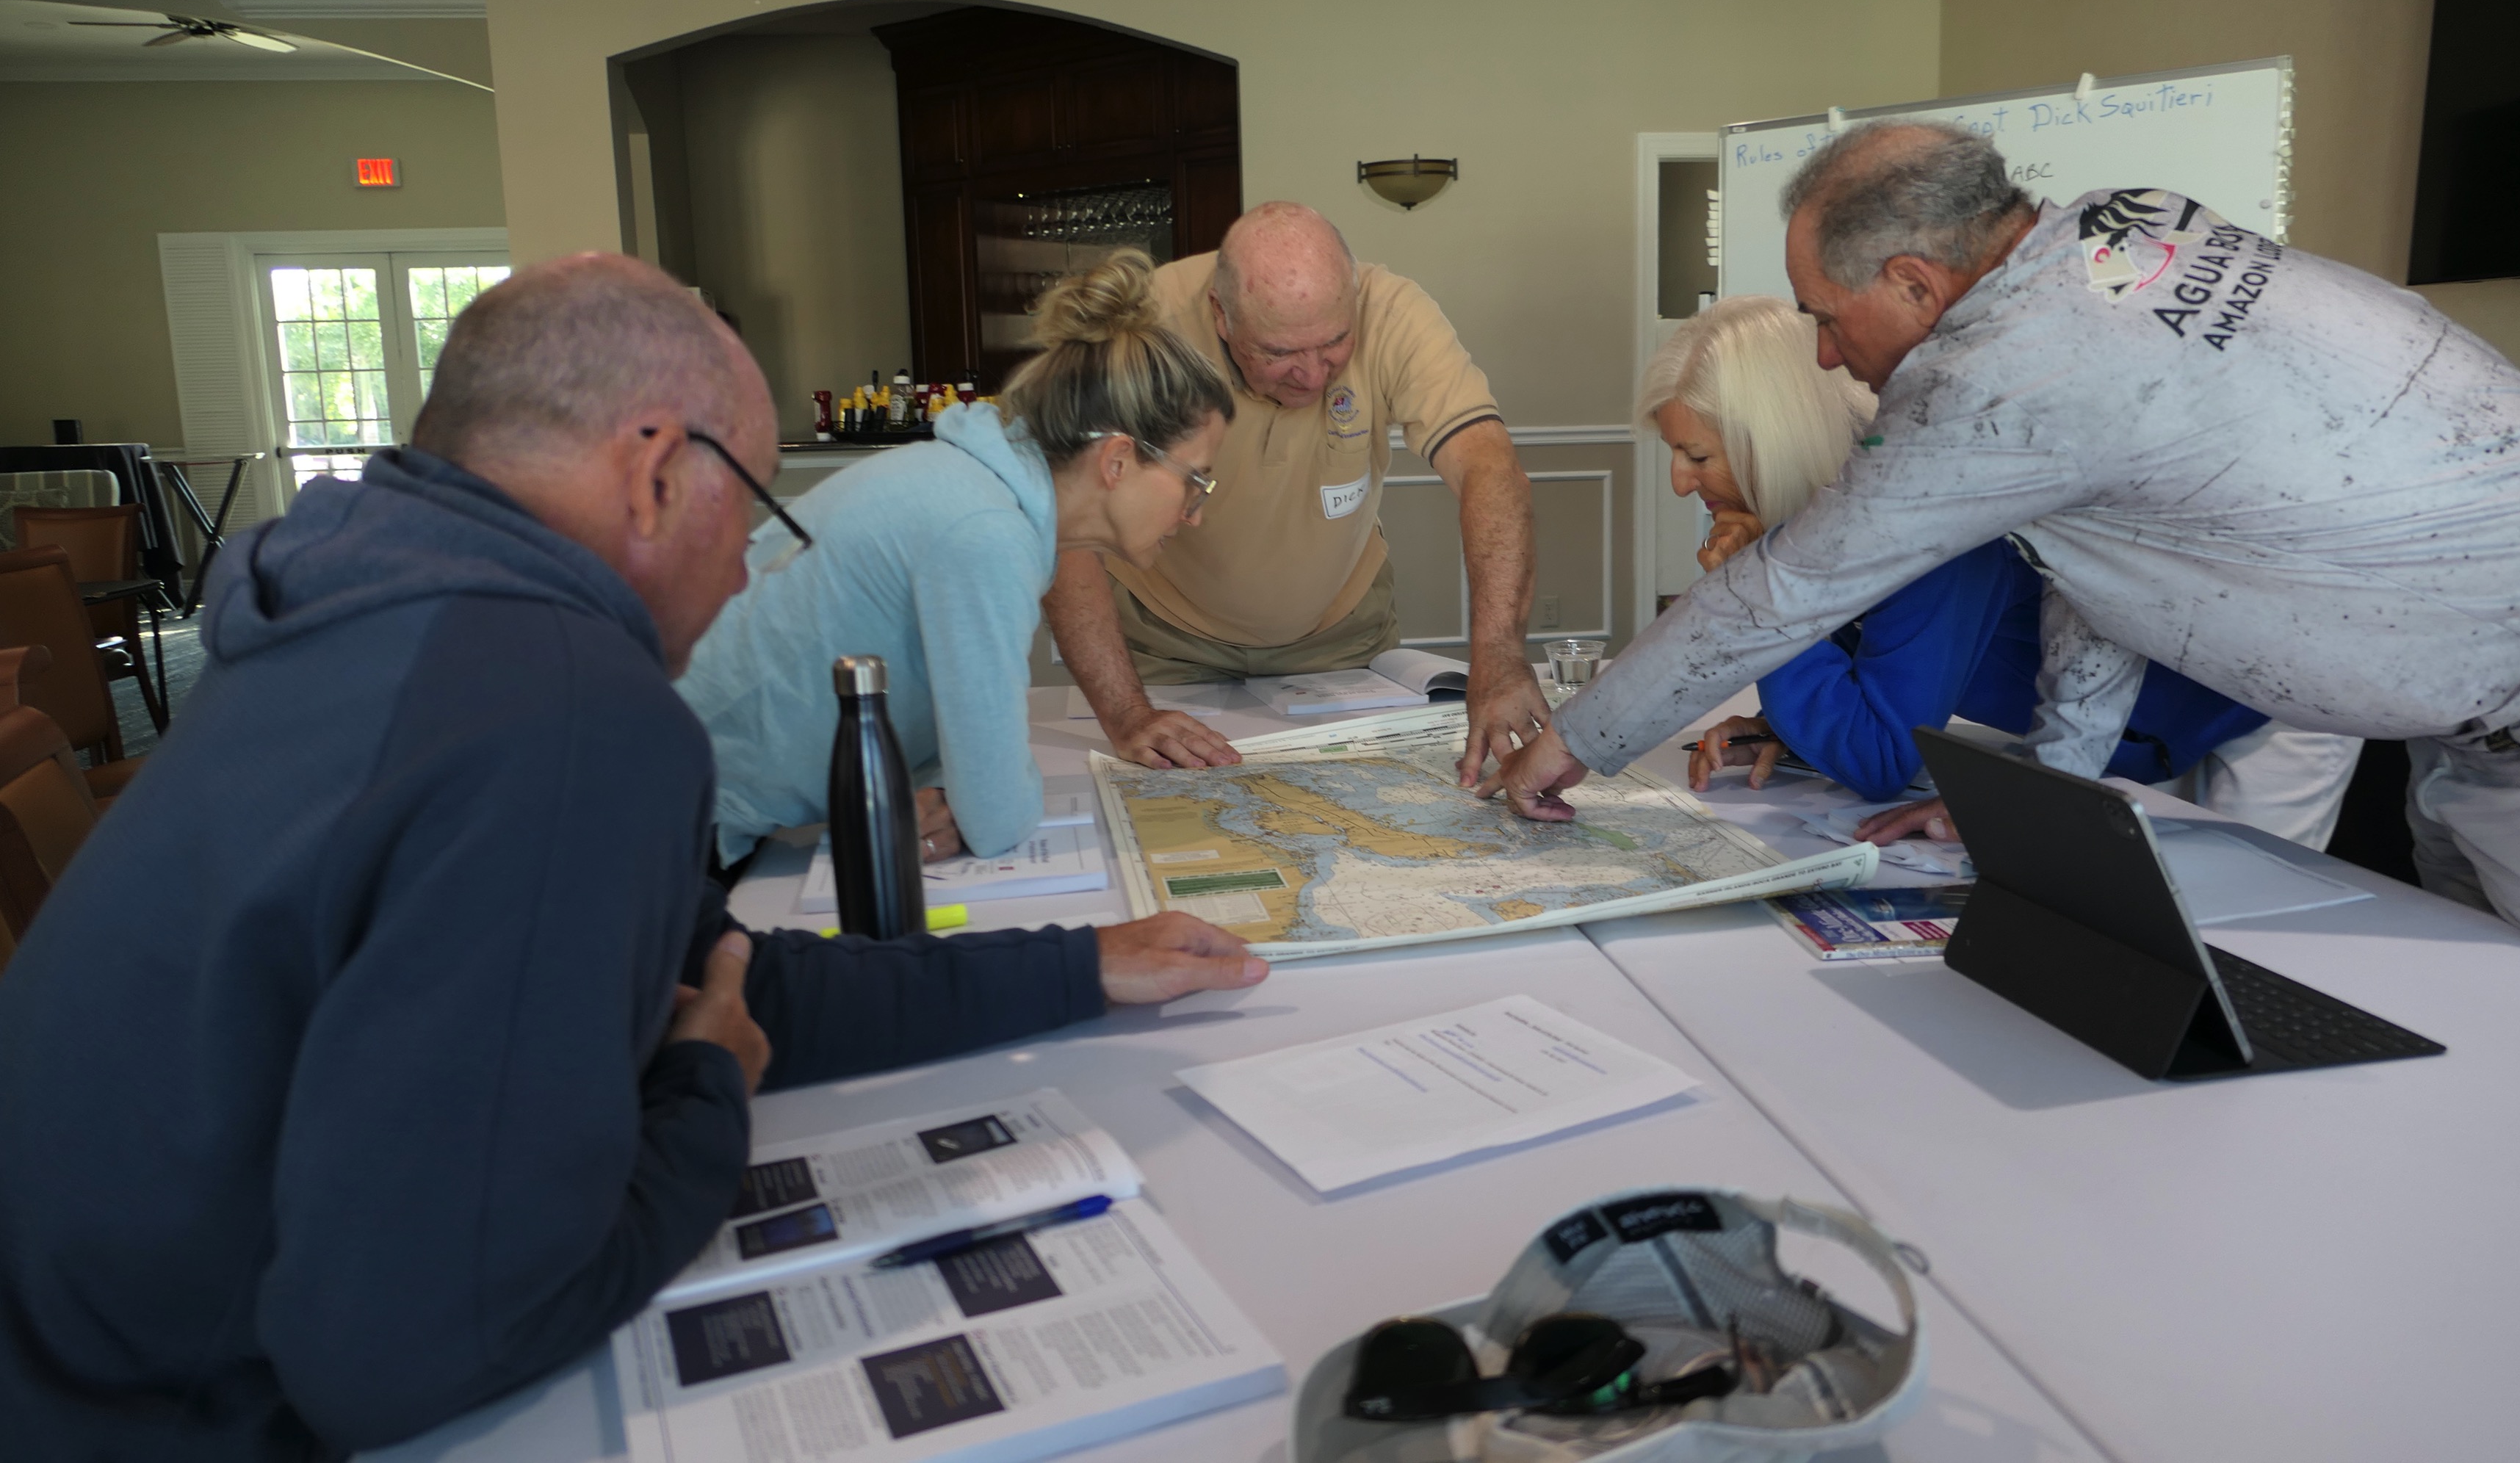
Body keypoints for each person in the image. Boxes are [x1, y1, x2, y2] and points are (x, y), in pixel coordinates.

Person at [0, 253, 1266, 1460]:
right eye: (758, 510)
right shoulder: (565, 711)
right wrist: (704, 1100)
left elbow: (712, 977)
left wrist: (1074, 968)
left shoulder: (374, 616)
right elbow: (404, 1355)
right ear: (658, 471)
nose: (749, 569)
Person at [1488, 120, 2520, 967]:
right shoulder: (2118, 242)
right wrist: (2045, 782)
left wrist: (1576, 744)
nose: (1829, 358)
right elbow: (2107, 561)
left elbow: (1785, 590)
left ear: (1911, 280)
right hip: (2500, 721)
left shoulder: (1998, 378)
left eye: (1827, 320)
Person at [1655, 296, 2358, 848]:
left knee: (2243, 946)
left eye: (1696, 455)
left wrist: (1757, 597)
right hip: (2121, 727)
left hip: (2258, 705)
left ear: (1768, 441)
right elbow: (1870, 652)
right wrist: (1793, 721)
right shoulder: (1850, 492)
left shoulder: (1921, 507)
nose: (1680, 483)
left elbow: (1877, 762)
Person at [680, 250, 1232, 869]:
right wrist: (968, 799)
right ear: (1117, 461)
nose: (1196, 513)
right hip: (675, 822)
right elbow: (996, 818)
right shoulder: (986, 531)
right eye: (1195, 480)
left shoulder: (984, 489)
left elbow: (947, 735)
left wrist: (951, 792)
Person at [1043, 201, 1553, 788]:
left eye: (1334, 343)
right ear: (1221, 315)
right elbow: (1067, 522)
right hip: (1164, 640)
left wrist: (1498, 655)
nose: (1312, 376)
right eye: (1278, 353)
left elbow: (1489, 468)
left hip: (1342, 640)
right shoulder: (1147, 323)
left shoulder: (1394, 310)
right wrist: (1126, 712)